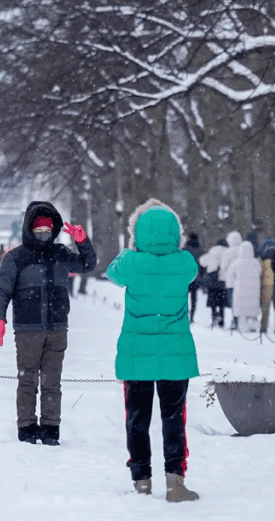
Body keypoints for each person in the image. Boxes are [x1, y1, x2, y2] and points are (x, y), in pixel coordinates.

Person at [107, 199, 200, 502]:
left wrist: (132, 248)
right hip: (175, 353)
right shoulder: (185, 262)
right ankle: (175, 481)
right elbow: (190, 272)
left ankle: (142, 481)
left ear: (137, 233)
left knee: (137, 419)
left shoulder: (130, 264)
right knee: (174, 418)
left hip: (138, 355)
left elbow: (112, 271)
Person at [0, 201, 96, 446]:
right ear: (30, 229)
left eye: (47, 229)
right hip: (27, 330)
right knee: (27, 380)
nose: (44, 234)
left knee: (52, 381)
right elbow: (2, 291)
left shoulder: (61, 254)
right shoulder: (16, 258)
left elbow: (88, 264)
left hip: (57, 327)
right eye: (39, 230)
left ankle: (50, 429)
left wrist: (83, 242)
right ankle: (26, 428)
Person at [227, 240, 261, 333]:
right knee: (251, 308)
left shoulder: (236, 263)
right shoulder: (255, 263)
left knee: (241, 310)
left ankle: (241, 326)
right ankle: (252, 325)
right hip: (253, 292)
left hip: (240, 292)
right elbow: (259, 273)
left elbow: (230, 278)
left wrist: (230, 286)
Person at [199, 238, 228, 327]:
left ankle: (214, 316)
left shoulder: (212, 252)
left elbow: (202, 262)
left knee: (213, 301)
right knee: (222, 302)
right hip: (223, 281)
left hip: (212, 281)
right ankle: (222, 320)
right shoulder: (227, 252)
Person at [219, 231, 244, 329]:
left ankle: (236, 322)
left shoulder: (228, 252)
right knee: (242, 302)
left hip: (231, 282)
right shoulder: (243, 250)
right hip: (242, 281)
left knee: (233, 303)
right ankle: (242, 322)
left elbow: (223, 267)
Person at [183, 232, 203, 323]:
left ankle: (184, 315)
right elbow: (201, 264)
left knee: (184, 297)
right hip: (196, 276)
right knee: (194, 299)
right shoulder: (200, 250)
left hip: (185, 277)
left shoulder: (185, 249)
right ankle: (192, 317)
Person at [259, 237, 275, 333]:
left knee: (265, 307)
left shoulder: (263, 256)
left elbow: (260, 271)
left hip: (266, 284)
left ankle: (264, 326)